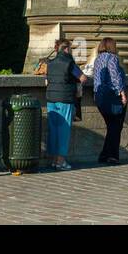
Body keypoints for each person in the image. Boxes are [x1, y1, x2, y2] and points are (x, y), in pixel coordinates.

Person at [44, 38, 86, 169]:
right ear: (67, 49)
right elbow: (83, 78)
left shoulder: (50, 63)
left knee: (54, 130)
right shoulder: (69, 63)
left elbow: (47, 81)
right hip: (65, 99)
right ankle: (61, 161)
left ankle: (54, 160)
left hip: (51, 99)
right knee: (64, 130)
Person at [92, 37, 127, 165]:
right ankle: (112, 156)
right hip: (112, 97)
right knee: (116, 126)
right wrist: (122, 94)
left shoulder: (98, 59)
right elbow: (115, 76)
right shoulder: (112, 58)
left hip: (99, 97)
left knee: (112, 126)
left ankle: (104, 155)